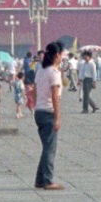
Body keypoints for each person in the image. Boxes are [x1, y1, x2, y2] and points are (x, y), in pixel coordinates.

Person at [33, 42, 65, 190]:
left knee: (46, 147)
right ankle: (48, 180)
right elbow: (55, 97)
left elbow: (34, 91)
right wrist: (57, 118)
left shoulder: (41, 71)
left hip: (39, 112)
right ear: (57, 55)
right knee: (50, 148)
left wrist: (35, 104)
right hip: (48, 112)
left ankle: (40, 179)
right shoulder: (54, 73)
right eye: (62, 54)